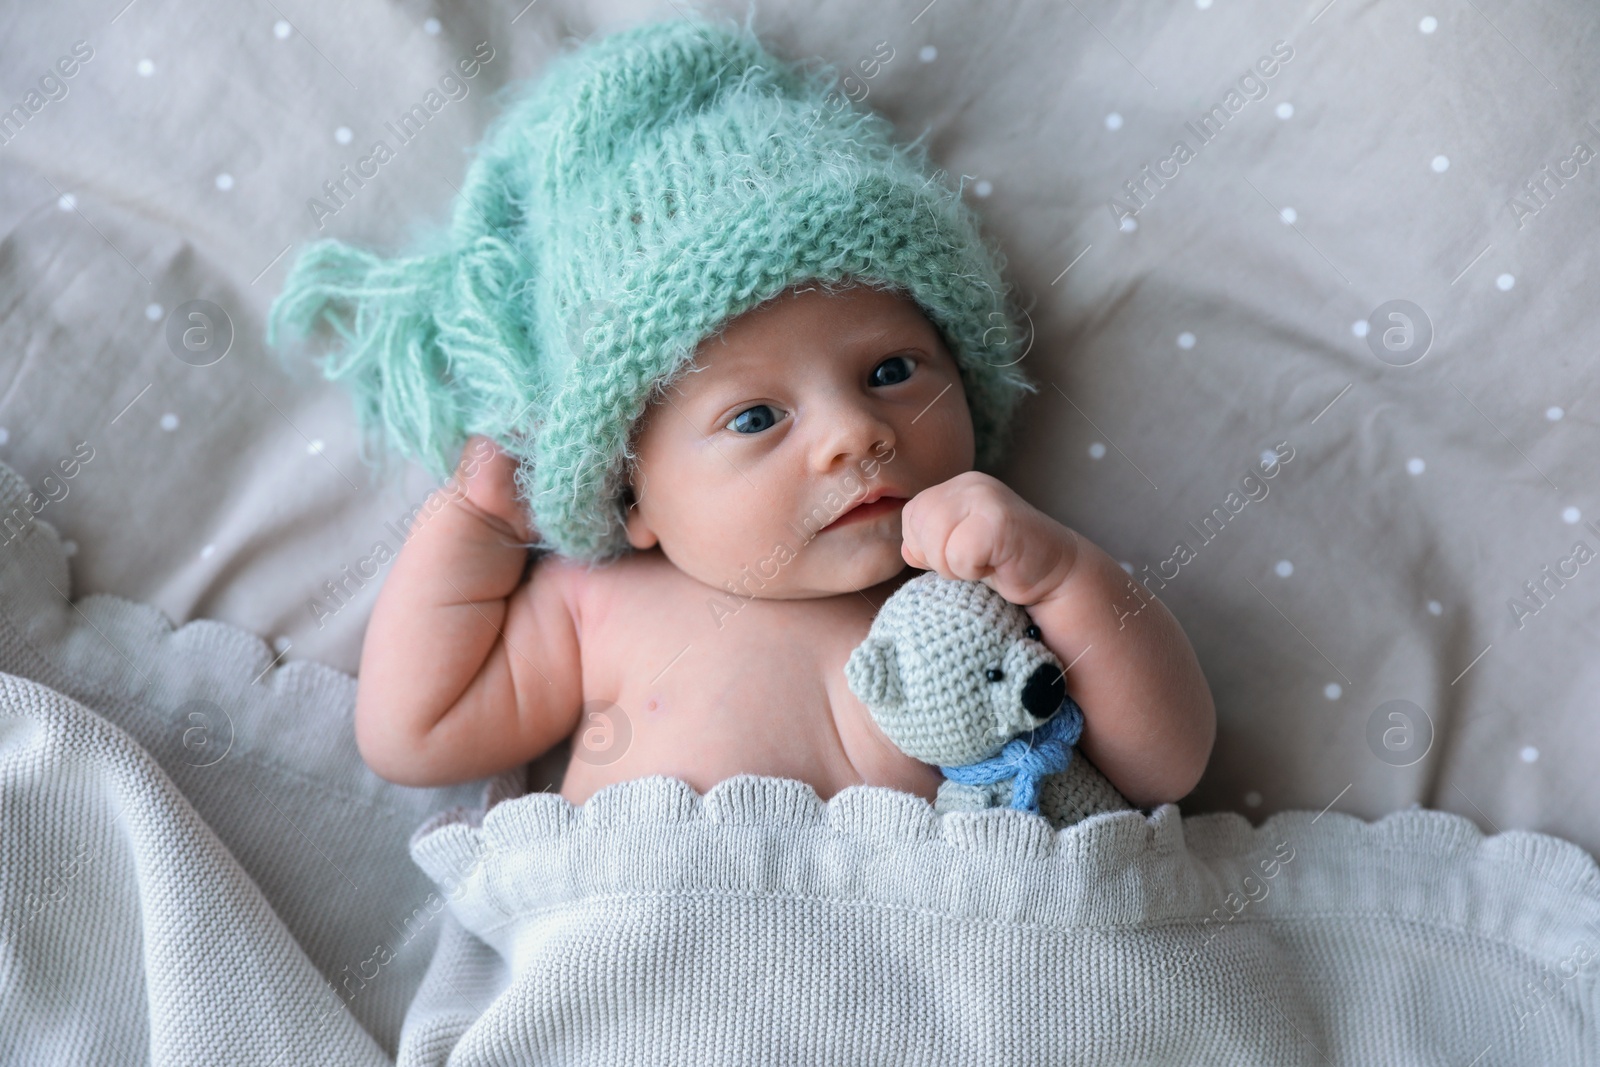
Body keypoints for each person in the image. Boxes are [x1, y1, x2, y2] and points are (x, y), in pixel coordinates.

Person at [268, 14, 1215, 811]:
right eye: (757, 418)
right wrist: (473, 527)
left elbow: (1166, 765)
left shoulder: (981, 586)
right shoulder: (601, 607)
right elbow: (415, 735)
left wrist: (1062, 577)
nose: (855, 432)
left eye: (891, 368)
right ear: (630, 494)